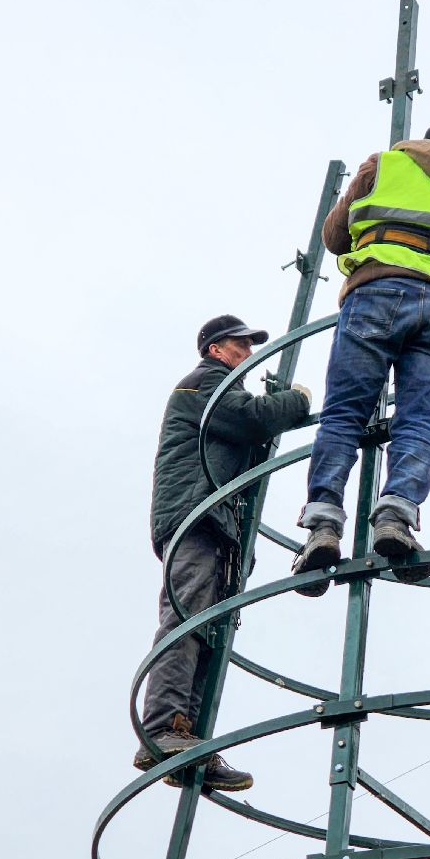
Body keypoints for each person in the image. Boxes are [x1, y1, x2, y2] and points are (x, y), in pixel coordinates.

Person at [291, 119, 430, 596]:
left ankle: (323, 523)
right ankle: (396, 517)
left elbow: (334, 237)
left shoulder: (383, 165)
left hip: (376, 292)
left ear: (427, 140)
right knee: (418, 420)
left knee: (344, 414)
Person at [134, 314, 312, 790]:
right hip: (196, 514)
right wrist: (295, 401)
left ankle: (185, 736)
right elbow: (249, 419)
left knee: (209, 633)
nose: (247, 353)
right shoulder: (203, 384)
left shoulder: (215, 387)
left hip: (215, 522)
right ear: (216, 349)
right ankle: (163, 728)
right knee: (187, 617)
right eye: (241, 345)